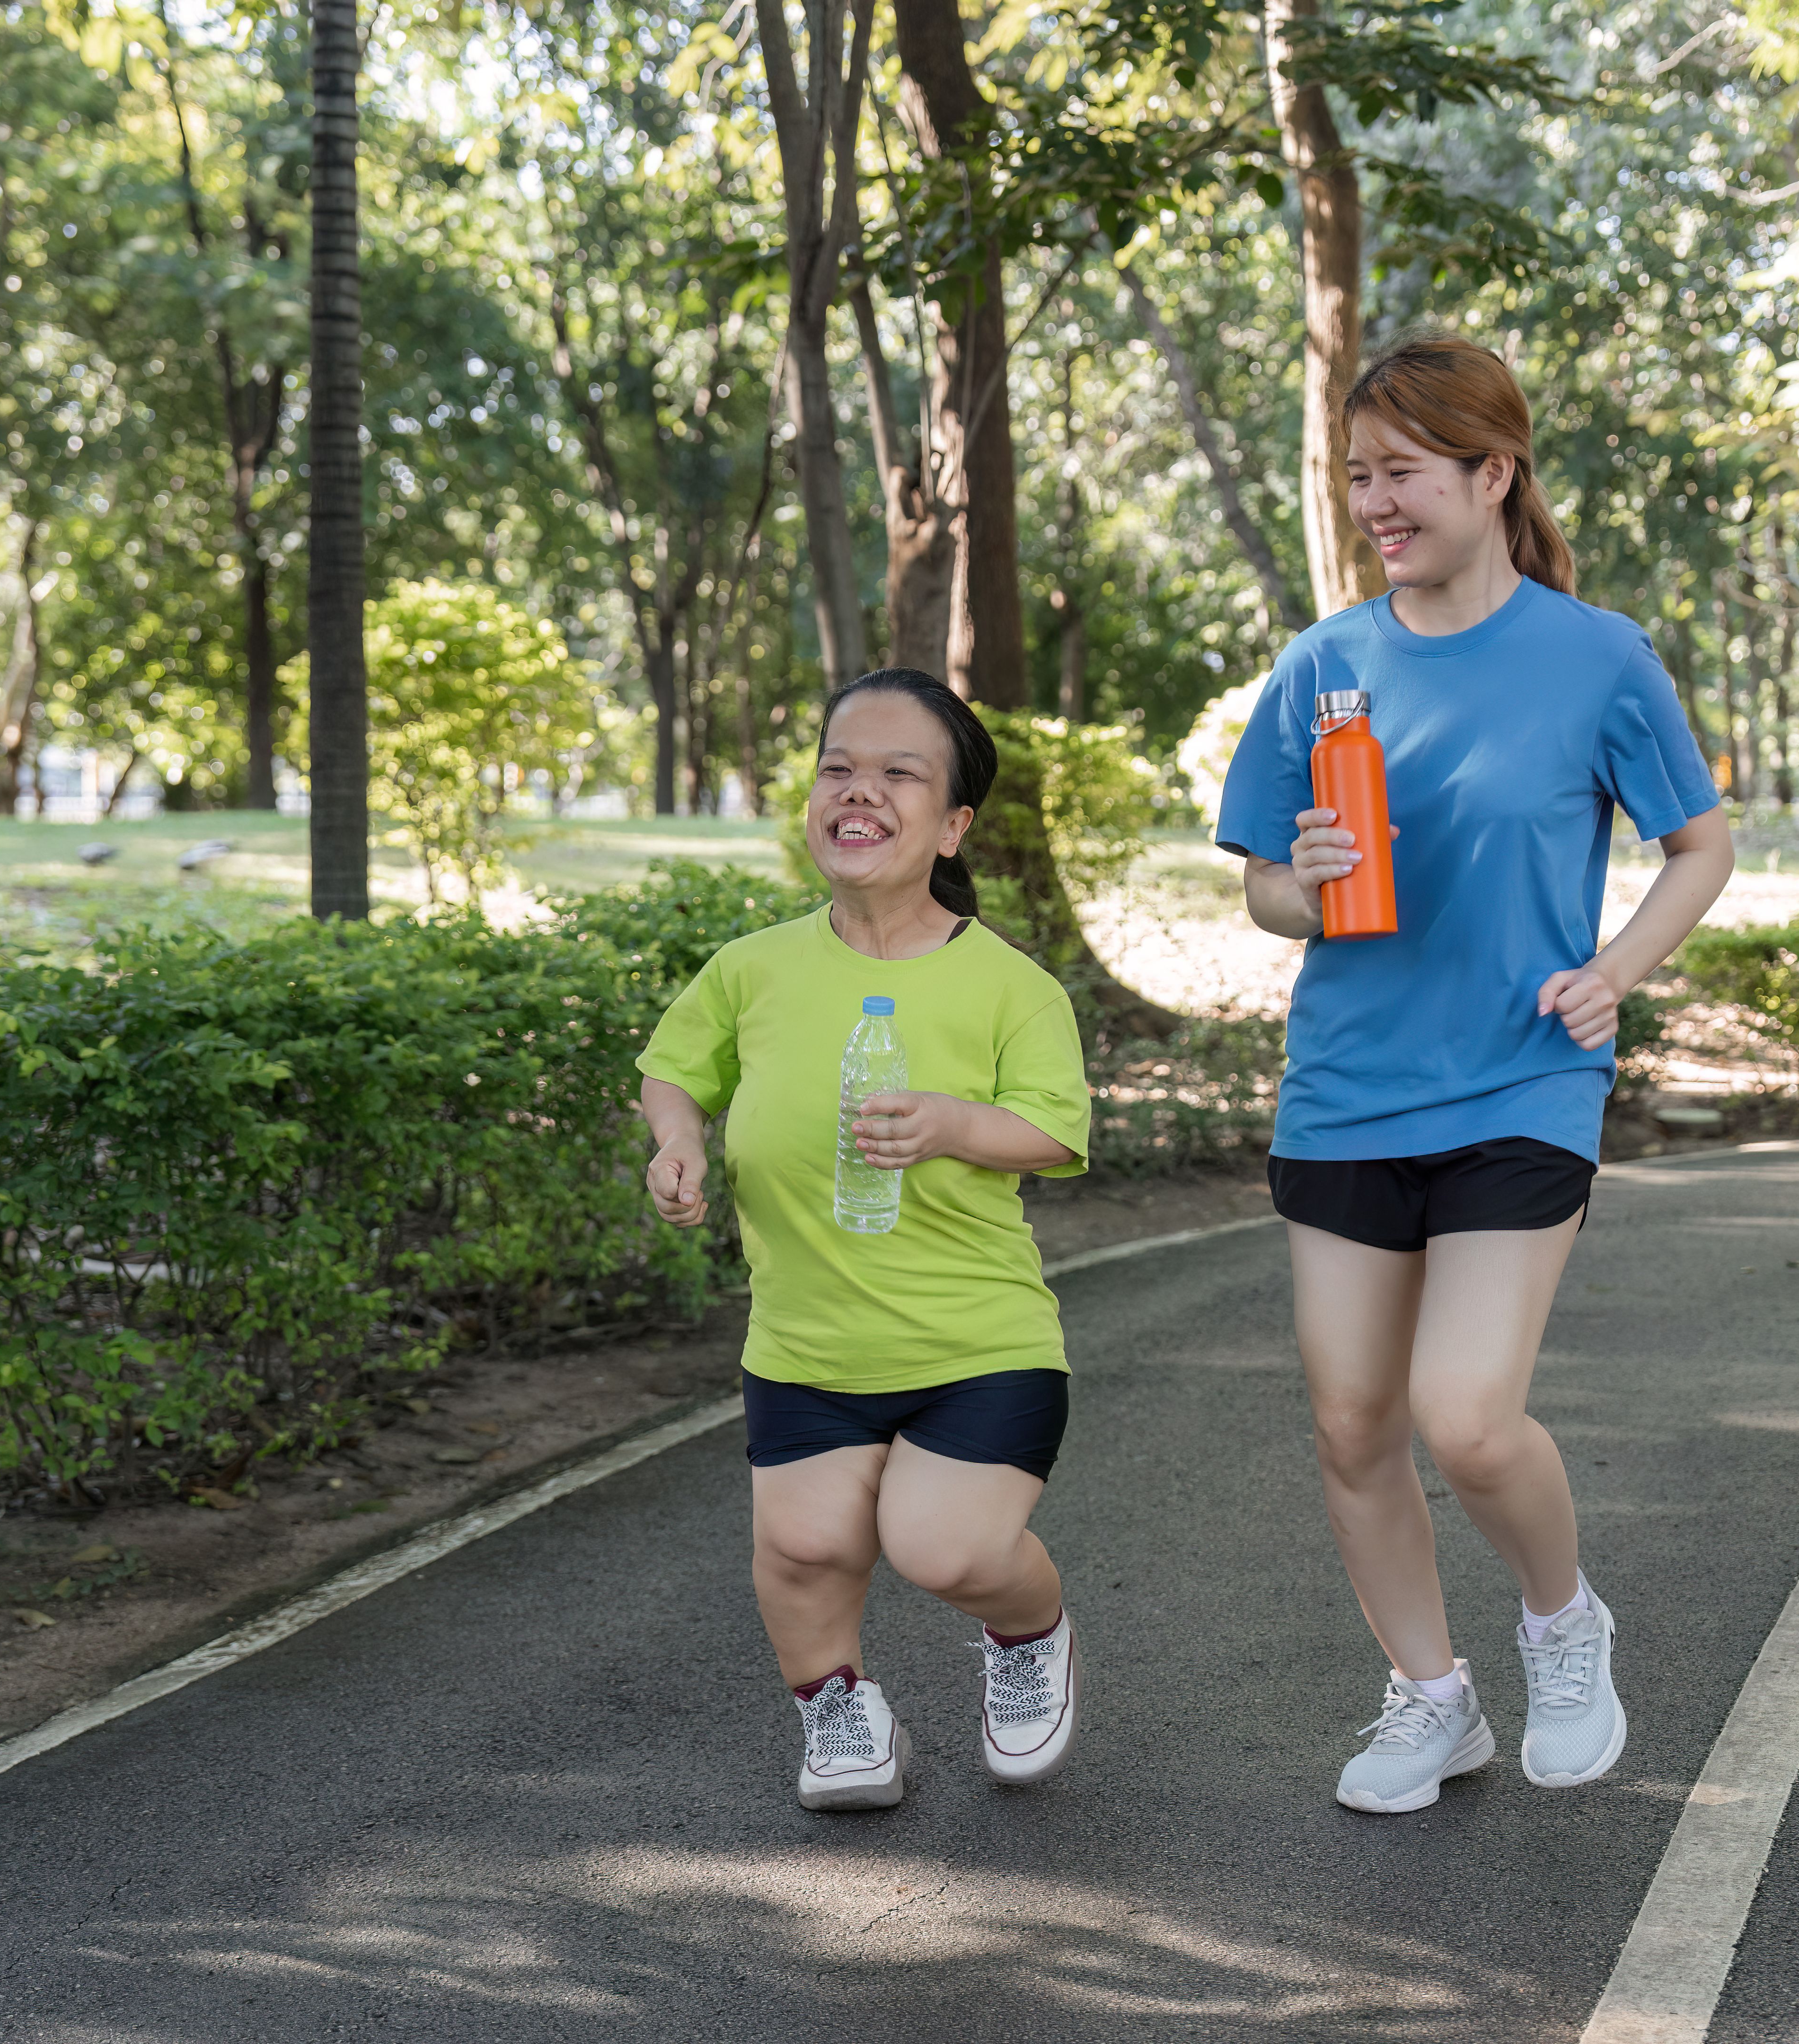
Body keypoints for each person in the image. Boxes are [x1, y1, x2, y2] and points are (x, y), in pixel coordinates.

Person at [1214, 333, 1735, 1815]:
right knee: (1352, 1422)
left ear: (1493, 473)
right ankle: (1431, 1701)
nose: (1378, 502)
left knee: (1469, 1415)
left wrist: (1617, 970)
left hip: (1522, 1082)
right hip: (1348, 1087)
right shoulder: (1325, 667)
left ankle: (1565, 1631)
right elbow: (1261, 884)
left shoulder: (1596, 656)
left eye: (1405, 472)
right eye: (1359, 475)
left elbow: (1698, 843)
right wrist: (1301, 884)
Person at [637, 670, 1092, 1812]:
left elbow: (1053, 1132)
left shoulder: (1011, 987)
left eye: (900, 774)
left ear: (951, 827)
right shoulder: (754, 967)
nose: (860, 791)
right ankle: (840, 1712)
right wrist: (678, 1144)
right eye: (840, 766)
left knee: (943, 1547)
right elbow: (673, 1070)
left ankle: (1028, 1633)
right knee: (802, 1548)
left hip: (976, 1341)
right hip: (805, 1345)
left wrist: (949, 1123)